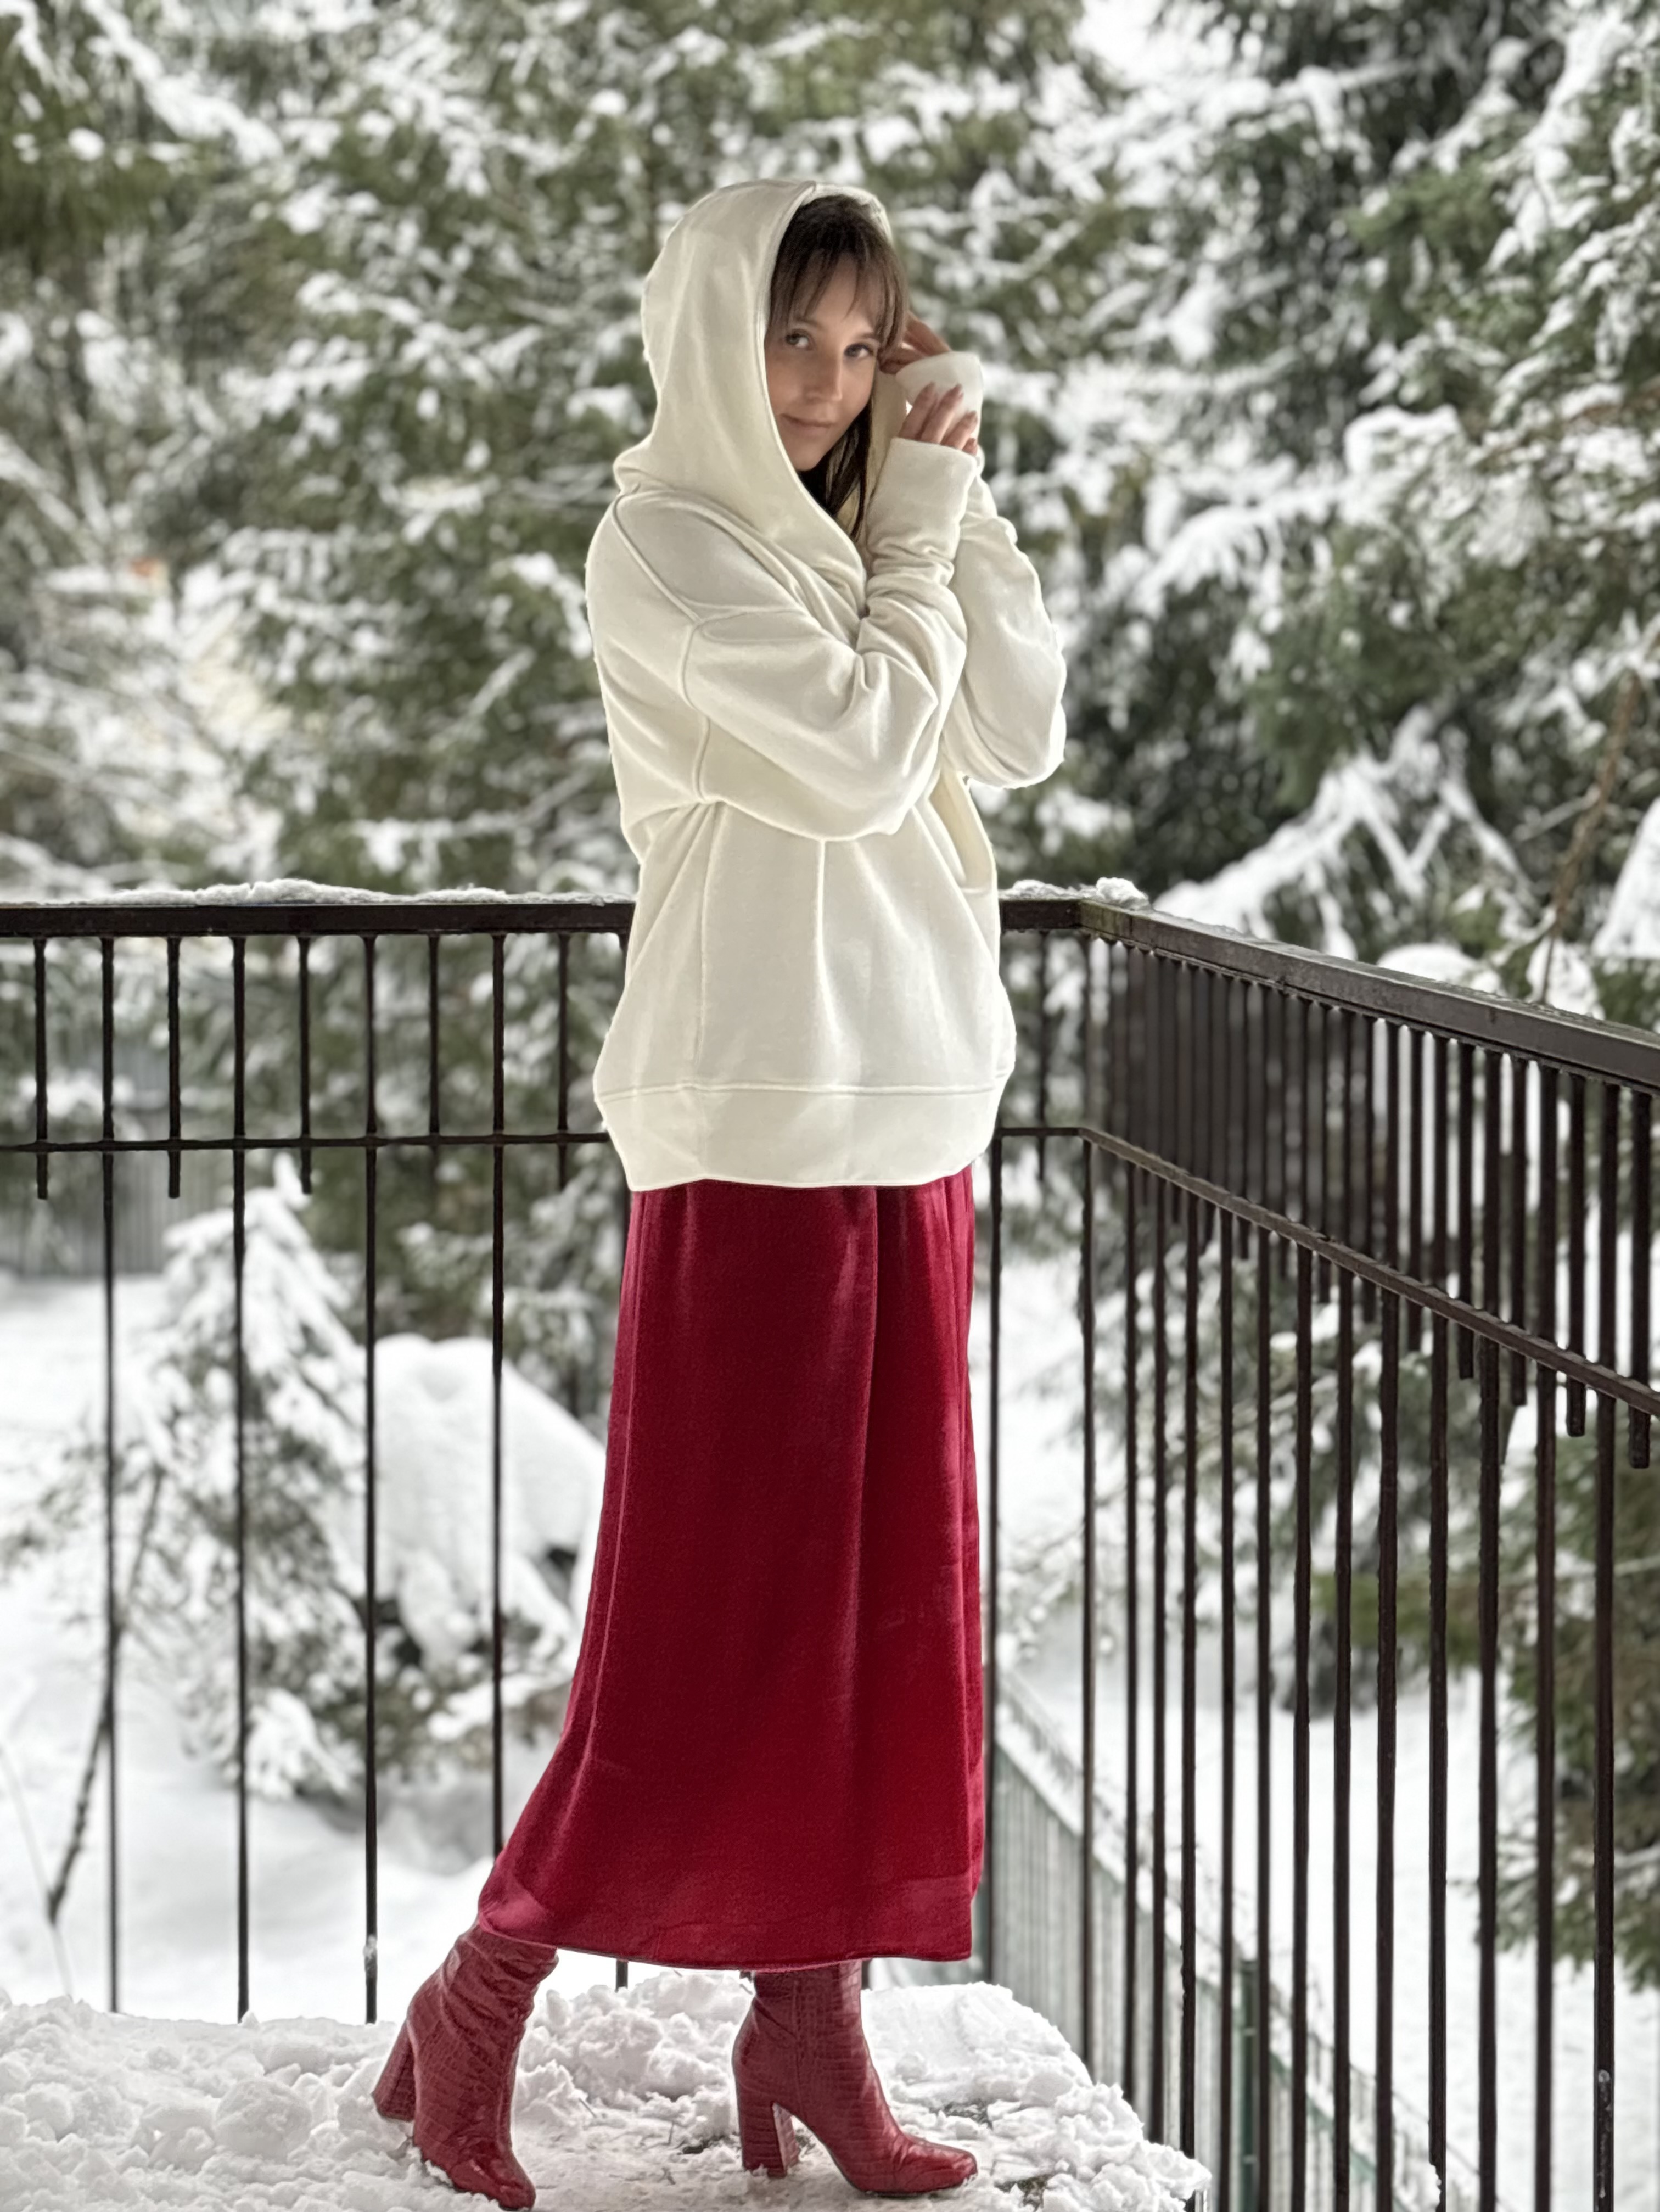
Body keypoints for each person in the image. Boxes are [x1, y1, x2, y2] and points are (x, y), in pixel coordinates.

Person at [372, 175, 1069, 2208]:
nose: (831, 384)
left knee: (873, 1628)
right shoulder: (665, 546)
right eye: (795, 340)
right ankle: (480, 1998)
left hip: (911, 1117)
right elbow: (858, 759)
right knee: (701, 1628)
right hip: (755, 1130)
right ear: (709, 335)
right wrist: (913, 543)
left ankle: (809, 2020)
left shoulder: (869, 534)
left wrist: (951, 494)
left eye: (863, 347)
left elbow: (1013, 729)